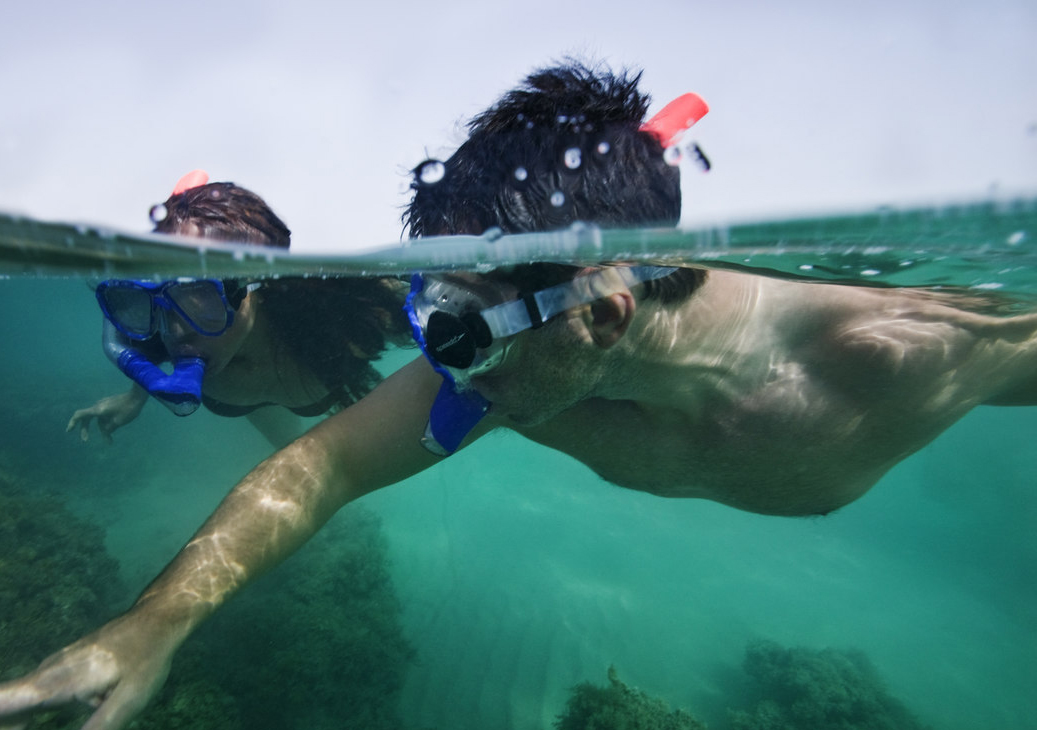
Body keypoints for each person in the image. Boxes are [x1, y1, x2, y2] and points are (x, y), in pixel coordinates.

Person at [2, 61, 1036, 729]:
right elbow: (320, 467)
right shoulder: (516, 367)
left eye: (452, 330)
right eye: (422, 306)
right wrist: (153, 621)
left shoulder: (889, 355)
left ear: (603, 314)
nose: (439, 366)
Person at [66, 171, 410, 448]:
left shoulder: (333, 311)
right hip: (260, 398)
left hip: (316, 363)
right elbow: (147, 341)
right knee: (289, 451)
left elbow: (406, 308)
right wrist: (134, 397)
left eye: (198, 295)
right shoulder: (174, 327)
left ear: (251, 284)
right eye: (160, 307)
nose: (176, 331)